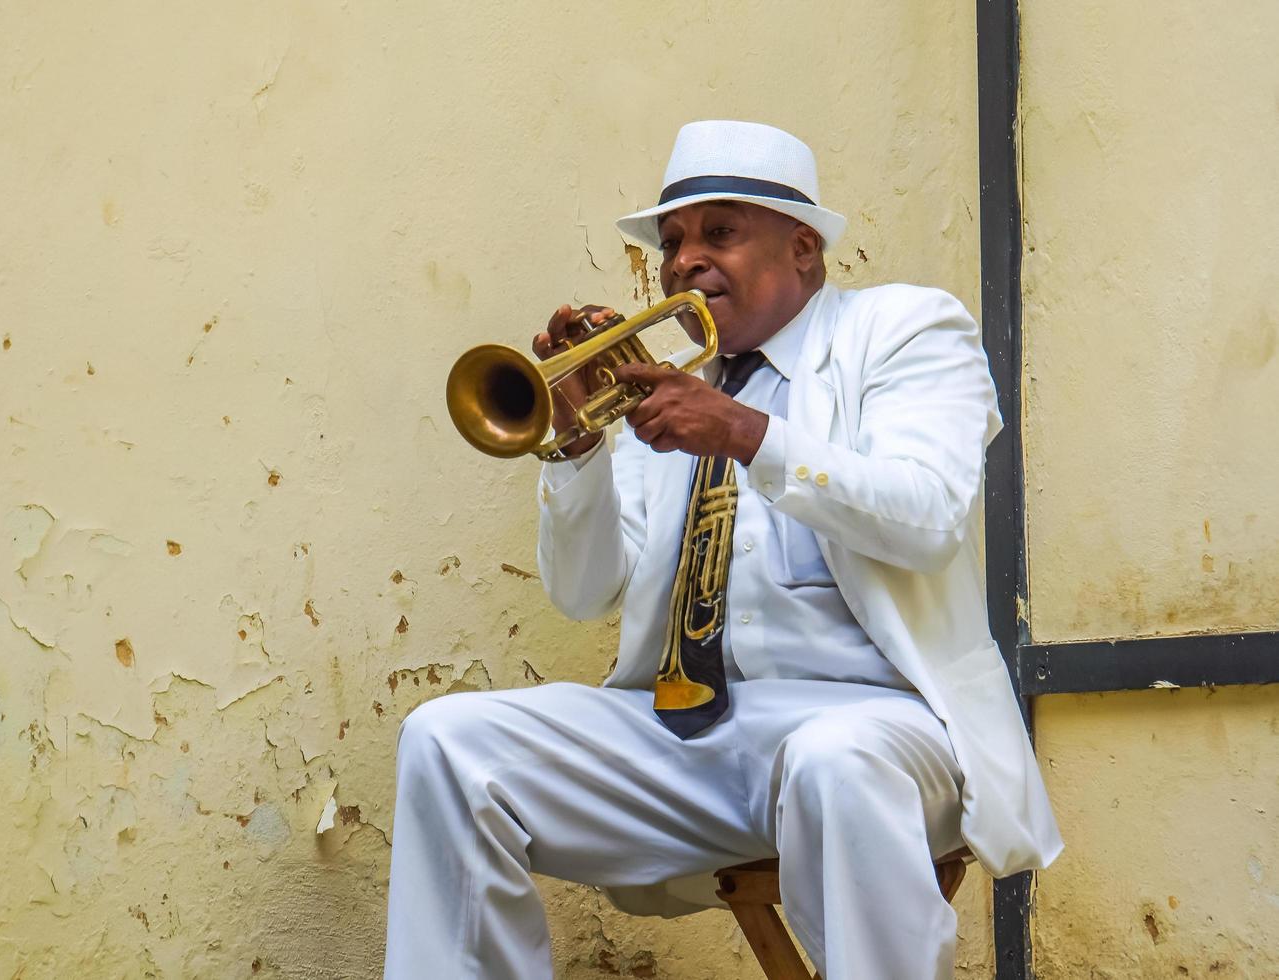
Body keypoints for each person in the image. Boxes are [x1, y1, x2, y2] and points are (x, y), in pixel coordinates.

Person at [385, 119, 1061, 979]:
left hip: (883, 728)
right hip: (688, 736)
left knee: (833, 757)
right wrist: (576, 448)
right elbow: (585, 592)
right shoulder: (668, 384)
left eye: (720, 232)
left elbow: (926, 517)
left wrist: (748, 435)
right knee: (447, 740)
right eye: (671, 242)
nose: (683, 261)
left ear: (804, 249)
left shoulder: (904, 328)